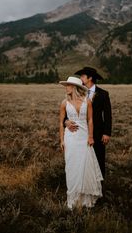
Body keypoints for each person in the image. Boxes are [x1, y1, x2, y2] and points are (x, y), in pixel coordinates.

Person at [59, 76, 103, 209]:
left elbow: (90, 120)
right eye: (66, 85)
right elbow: (61, 123)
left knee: (84, 165)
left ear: (75, 87)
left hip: (84, 137)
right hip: (70, 138)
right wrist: (61, 140)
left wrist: (90, 137)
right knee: (72, 166)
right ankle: (73, 200)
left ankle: (85, 200)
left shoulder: (87, 101)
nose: (66, 88)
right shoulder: (64, 103)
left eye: (68, 85)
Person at [65, 67, 112, 178]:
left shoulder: (103, 94)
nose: (80, 78)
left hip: (98, 132)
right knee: (82, 159)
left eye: (82, 76)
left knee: (98, 158)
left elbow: (107, 115)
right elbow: (68, 112)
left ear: (90, 78)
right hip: (79, 132)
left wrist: (107, 133)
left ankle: (99, 186)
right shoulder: (77, 92)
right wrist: (66, 122)